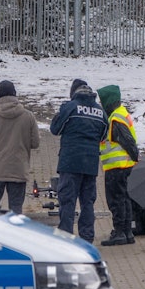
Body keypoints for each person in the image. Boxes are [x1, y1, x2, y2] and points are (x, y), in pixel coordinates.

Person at [49, 79, 107, 243]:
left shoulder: (70, 107)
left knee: (67, 201)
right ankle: (87, 238)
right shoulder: (100, 111)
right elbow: (103, 135)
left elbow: (55, 129)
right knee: (87, 202)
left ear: (73, 92)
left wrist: (61, 112)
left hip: (70, 162)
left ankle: (66, 237)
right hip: (90, 164)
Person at [0, 80, 40, 214]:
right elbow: (35, 143)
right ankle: (14, 234)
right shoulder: (28, 117)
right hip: (18, 170)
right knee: (16, 211)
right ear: (15, 94)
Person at [97, 85, 139, 246]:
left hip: (117, 166)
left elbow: (127, 140)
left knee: (115, 199)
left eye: (102, 102)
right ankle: (127, 232)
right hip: (123, 164)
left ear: (108, 102)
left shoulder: (115, 119)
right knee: (123, 198)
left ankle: (120, 232)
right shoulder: (120, 114)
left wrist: (135, 154)